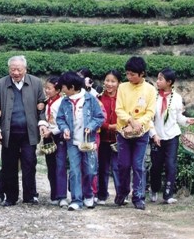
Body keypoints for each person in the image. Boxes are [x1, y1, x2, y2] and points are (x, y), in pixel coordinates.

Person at [0, 55, 47, 206]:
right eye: (12, 69)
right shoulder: (0, 84)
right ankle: (10, 197)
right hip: (9, 132)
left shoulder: (35, 83)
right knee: (9, 165)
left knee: (30, 163)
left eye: (19, 69)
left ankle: (30, 195)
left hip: (29, 132)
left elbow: (41, 105)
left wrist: (42, 122)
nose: (15, 72)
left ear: (25, 69)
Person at [56, 71, 105, 211]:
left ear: (71, 87)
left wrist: (91, 126)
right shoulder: (65, 101)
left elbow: (99, 117)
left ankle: (88, 194)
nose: (62, 90)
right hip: (72, 142)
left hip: (88, 141)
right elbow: (60, 118)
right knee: (74, 171)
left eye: (64, 87)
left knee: (90, 170)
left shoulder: (90, 99)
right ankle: (76, 199)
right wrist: (64, 128)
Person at [149, 68, 194, 204]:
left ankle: (168, 195)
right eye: (157, 78)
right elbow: (149, 119)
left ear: (169, 82)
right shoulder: (153, 96)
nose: (157, 81)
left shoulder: (176, 98)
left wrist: (187, 120)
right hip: (157, 137)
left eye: (160, 79)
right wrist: (153, 135)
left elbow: (178, 117)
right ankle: (154, 189)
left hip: (172, 136)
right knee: (156, 166)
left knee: (171, 165)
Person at [115, 56, 156, 210]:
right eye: (128, 74)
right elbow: (119, 109)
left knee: (138, 166)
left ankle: (138, 196)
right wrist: (131, 121)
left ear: (142, 73)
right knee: (123, 165)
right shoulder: (122, 87)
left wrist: (139, 124)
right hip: (123, 132)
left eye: (133, 74)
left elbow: (151, 112)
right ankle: (122, 192)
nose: (129, 77)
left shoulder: (150, 90)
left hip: (142, 132)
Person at [41, 76, 68, 207]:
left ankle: (62, 195)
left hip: (58, 136)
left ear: (57, 90)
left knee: (60, 166)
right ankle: (54, 193)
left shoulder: (62, 102)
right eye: (45, 88)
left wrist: (52, 131)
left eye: (49, 88)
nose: (46, 90)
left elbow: (64, 121)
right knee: (50, 166)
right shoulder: (47, 102)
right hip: (47, 136)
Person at [97, 70, 122, 205]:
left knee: (118, 167)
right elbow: (97, 117)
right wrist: (109, 126)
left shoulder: (122, 98)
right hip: (103, 138)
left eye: (113, 81)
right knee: (103, 167)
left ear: (119, 83)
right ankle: (102, 195)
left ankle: (120, 195)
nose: (109, 84)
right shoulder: (99, 98)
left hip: (119, 139)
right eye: (107, 80)